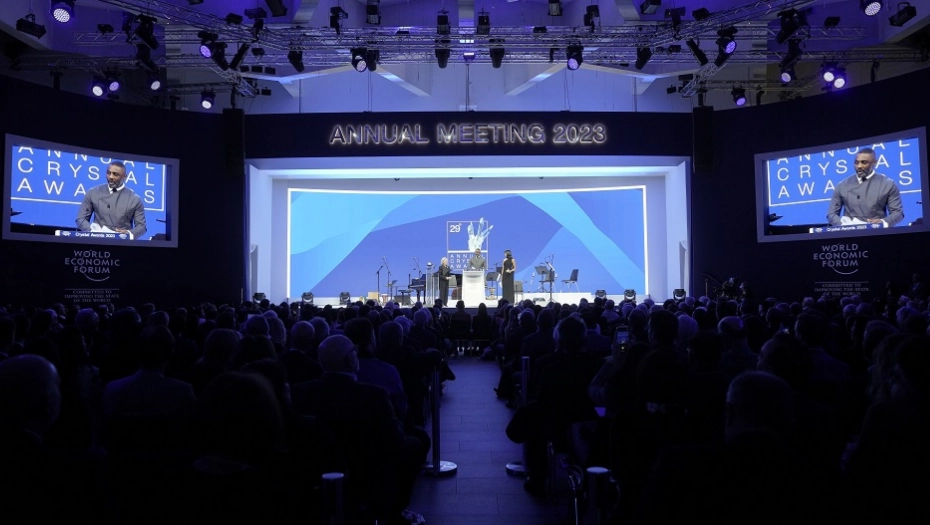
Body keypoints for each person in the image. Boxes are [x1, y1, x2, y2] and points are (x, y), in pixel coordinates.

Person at [826, 147, 903, 228]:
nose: (859, 166)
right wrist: (843, 225)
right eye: (856, 162)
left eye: (864, 162)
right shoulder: (842, 185)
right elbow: (831, 214)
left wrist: (882, 222)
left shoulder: (888, 184)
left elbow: (897, 213)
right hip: (848, 232)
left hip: (876, 232)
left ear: (874, 163)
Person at [75, 160, 147, 239]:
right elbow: (81, 219)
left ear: (124, 177)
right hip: (96, 240)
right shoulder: (93, 192)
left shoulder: (135, 199)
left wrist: (129, 233)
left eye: (115, 174)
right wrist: (93, 232)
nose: (111, 177)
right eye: (108, 173)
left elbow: (142, 227)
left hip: (121, 242)